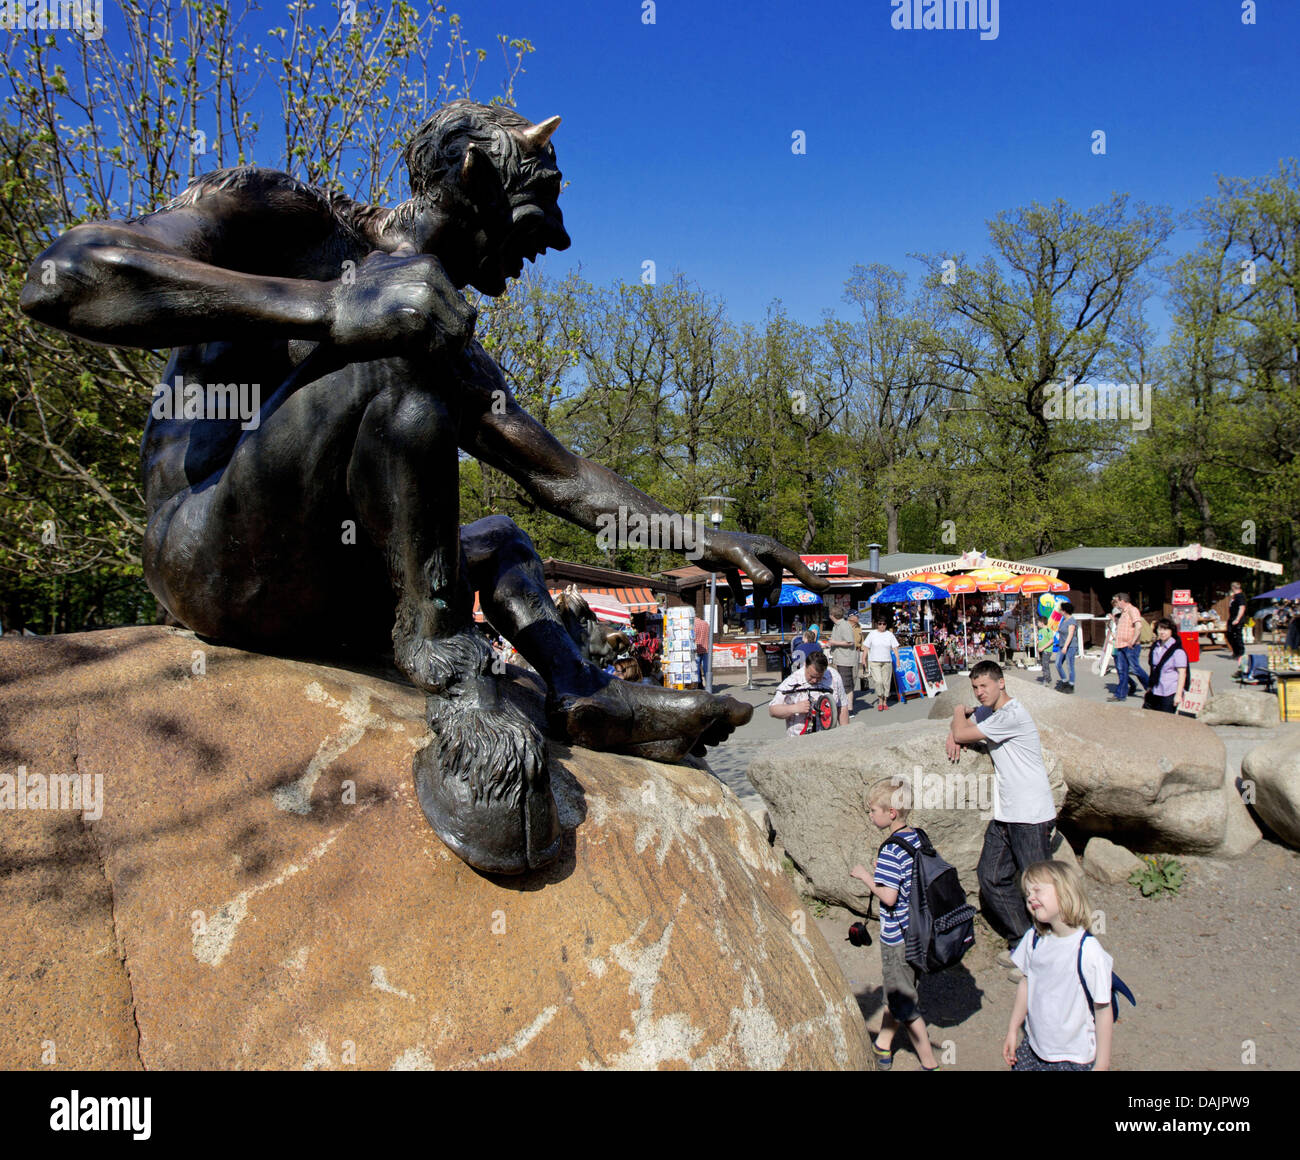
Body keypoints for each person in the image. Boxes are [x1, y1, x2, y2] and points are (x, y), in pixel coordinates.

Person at [21, 98, 830, 874]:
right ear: (477, 179)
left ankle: (582, 693)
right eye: (541, 201)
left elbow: (564, 476)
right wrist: (337, 309)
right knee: (394, 350)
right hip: (207, 555)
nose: (560, 235)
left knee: (502, 542)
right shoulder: (290, 220)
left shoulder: (425, 313)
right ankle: (458, 693)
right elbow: (62, 280)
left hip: (319, 588)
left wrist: (704, 538)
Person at [945, 660, 1057, 975]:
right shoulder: (991, 712)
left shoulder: (1011, 714)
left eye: (985, 686)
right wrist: (956, 732)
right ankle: (1024, 943)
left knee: (1039, 886)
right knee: (990, 876)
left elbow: (963, 728)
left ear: (1002, 682)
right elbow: (965, 730)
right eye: (975, 688)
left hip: (1031, 814)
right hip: (1008, 813)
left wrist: (957, 717)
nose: (979, 693)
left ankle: (1054, 953)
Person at [850, 777, 940, 1071]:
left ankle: (928, 1062)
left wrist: (867, 877)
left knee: (905, 1005)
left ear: (890, 813)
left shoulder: (890, 849)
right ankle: (883, 1045)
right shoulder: (917, 837)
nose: (870, 815)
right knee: (898, 992)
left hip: (897, 938)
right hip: (919, 931)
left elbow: (888, 897)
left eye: (873, 810)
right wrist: (885, 875)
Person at [1004, 861, 1113, 1071]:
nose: (1030, 897)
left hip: (1072, 1058)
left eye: (1037, 890)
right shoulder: (1033, 939)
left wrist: (1102, 1064)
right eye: (1027, 893)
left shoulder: (1088, 951)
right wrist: (1012, 1029)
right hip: (1033, 1048)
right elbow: (1026, 984)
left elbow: (1103, 1009)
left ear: (1065, 892)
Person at [768, 651, 850, 736]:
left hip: (826, 737)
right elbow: (772, 710)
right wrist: (794, 708)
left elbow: (842, 706)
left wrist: (846, 734)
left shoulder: (834, 677)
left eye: (819, 677)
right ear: (805, 666)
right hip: (798, 739)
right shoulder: (792, 682)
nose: (814, 680)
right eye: (811, 676)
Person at [1108, 592, 1148, 702]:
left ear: (1122, 600)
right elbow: (1123, 627)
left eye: (1117, 601)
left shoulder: (1132, 610)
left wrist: (1133, 640)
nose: (1116, 603)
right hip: (1121, 644)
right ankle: (1120, 694)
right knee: (1122, 670)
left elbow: (1138, 626)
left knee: (1135, 668)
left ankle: (1150, 687)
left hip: (1130, 645)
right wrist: (1114, 621)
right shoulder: (1124, 613)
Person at [1143, 617, 1188, 713]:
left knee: (1166, 722)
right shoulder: (1155, 647)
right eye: (1160, 629)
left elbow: (1182, 673)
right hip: (1155, 689)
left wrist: (1178, 695)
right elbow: (1153, 669)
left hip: (1170, 691)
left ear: (1172, 631)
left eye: (1166, 629)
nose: (1162, 632)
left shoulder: (1177, 651)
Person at [861, 616, 901, 712]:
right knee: (878, 681)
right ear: (877, 624)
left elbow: (895, 647)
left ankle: (885, 701)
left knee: (886, 682)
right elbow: (866, 647)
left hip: (887, 661)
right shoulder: (872, 634)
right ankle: (880, 699)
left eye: (884, 624)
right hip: (874, 661)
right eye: (880, 624)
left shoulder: (889, 634)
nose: (882, 626)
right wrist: (863, 659)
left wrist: (898, 659)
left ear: (886, 625)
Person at [828, 607, 858, 713]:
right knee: (839, 684)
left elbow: (850, 642)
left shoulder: (844, 625)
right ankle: (843, 707)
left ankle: (849, 710)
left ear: (832, 615)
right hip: (838, 658)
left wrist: (834, 643)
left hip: (846, 659)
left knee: (847, 685)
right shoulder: (836, 625)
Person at [1053, 601, 1079, 693]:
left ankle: (1071, 684)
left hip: (1070, 646)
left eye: (1061, 610)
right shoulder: (1063, 620)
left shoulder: (1072, 621)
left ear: (1064, 611)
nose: (1060, 611)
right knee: (1057, 663)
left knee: (1070, 665)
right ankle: (1064, 680)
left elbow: (1070, 634)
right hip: (1061, 645)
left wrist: (1065, 646)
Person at [1226, 581, 1247, 661]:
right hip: (1232, 618)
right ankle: (1235, 651)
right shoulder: (1235, 596)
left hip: (1237, 619)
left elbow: (1242, 608)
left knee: (1237, 636)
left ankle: (1240, 653)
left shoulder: (1240, 596)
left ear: (1233, 588)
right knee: (1229, 635)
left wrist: (1237, 619)